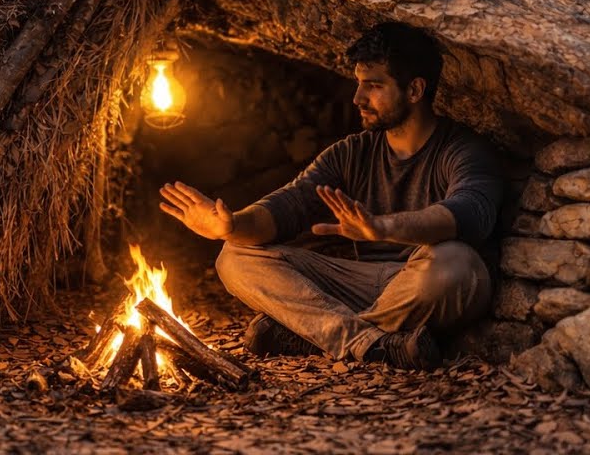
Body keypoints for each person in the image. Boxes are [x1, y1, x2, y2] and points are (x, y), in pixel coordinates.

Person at [159, 22, 503, 370]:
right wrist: (231, 225)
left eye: (374, 86)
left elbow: (471, 213)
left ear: (414, 90)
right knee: (234, 256)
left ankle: (310, 333)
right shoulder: (350, 153)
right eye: (358, 84)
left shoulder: (463, 149)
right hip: (356, 281)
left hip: (419, 280)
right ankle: (371, 343)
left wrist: (383, 228)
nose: (358, 98)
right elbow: (289, 205)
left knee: (458, 267)